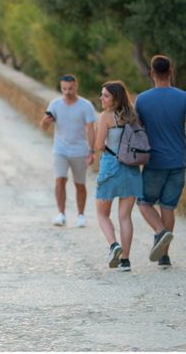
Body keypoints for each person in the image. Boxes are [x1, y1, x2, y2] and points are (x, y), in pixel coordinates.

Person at [135, 55, 186, 268]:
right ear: (171, 71)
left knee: (143, 201)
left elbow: (136, 131)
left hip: (154, 162)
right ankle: (164, 256)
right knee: (168, 207)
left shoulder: (142, 100)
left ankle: (161, 231)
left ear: (152, 73)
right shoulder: (183, 97)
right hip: (179, 161)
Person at [94, 81, 143, 272]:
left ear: (115, 97)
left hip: (110, 167)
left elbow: (99, 146)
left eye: (105, 95)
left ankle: (114, 245)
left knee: (102, 213)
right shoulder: (133, 116)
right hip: (131, 169)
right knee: (125, 217)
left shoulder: (105, 117)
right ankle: (126, 261)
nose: (101, 98)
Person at [40, 74, 97, 227]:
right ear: (61, 88)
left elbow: (91, 129)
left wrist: (91, 151)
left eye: (70, 88)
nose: (67, 92)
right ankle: (61, 214)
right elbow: (44, 126)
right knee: (60, 179)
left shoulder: (85, 106)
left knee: (80, 183)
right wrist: (46, 122)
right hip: (60, 149)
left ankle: (81, 215)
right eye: (64, 89)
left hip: (79, 150)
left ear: (76, 86)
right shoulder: (55, 104)